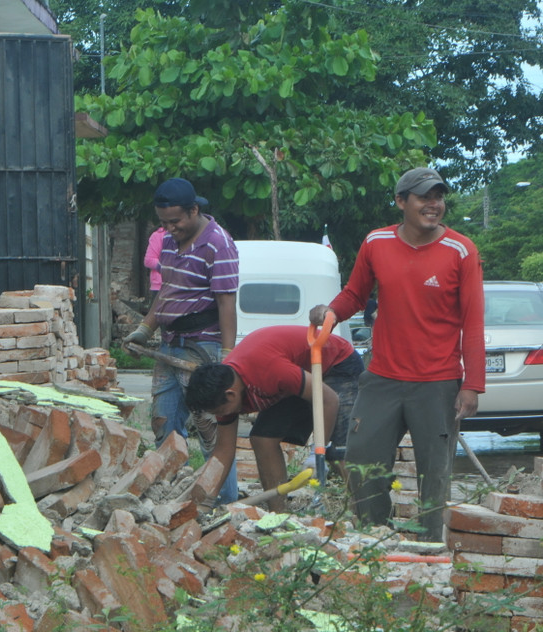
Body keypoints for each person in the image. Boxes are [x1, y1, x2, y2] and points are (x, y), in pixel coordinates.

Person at [309, 166, 484, 541]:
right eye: (424, 197)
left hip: (437, 382)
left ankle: (430, 548)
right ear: (401, 201)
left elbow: (473, 321)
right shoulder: (376, 243)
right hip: (382, 378)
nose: (433, 205)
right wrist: (331, 312)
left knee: (433, 475)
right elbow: (356, 293)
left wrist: (473, 385)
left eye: (438, 197)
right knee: (361, 462)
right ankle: (376, 537)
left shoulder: (461, 250)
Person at [123, 177, 240, 503]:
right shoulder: (169, 242)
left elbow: (226, 303)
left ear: (194, 210)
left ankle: (224, 505)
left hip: (203, 347)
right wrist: (145, 329)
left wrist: (227, 357)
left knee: (211, 432)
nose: (169, 229)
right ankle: (177, 501)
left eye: (175, 221)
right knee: (165, 428)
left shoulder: (218, 243)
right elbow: (166, 292)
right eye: (163, 223)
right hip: (169, 345)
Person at [184, 326, 362, 511]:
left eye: (220, 410)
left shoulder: (268, 370)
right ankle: (279, 515)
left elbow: (329, 399)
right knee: (263, 439)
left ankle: (365, 516)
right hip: (296, 375)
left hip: (336, 365)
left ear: (231, 395)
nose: (220, 415)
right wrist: (205, 500)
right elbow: (223, 451)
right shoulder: (225, 389)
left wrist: (318, 451)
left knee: (339, 452)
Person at [143, 226, 166, 305]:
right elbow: (149, 260)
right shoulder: (158, 236)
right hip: (160, 287)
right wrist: (167, 269)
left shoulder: (188, 235)